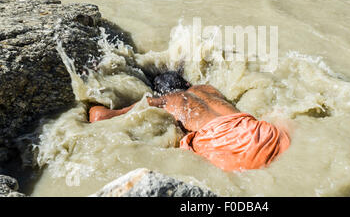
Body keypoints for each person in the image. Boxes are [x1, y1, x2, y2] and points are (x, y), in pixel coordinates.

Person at [89, 72, 290, 171]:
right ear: (187, 83)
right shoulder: (208, 89)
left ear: (163, 92)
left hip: (223, 142)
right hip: (259, 133)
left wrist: (85, 105)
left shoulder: (165, 101)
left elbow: (100, 117)